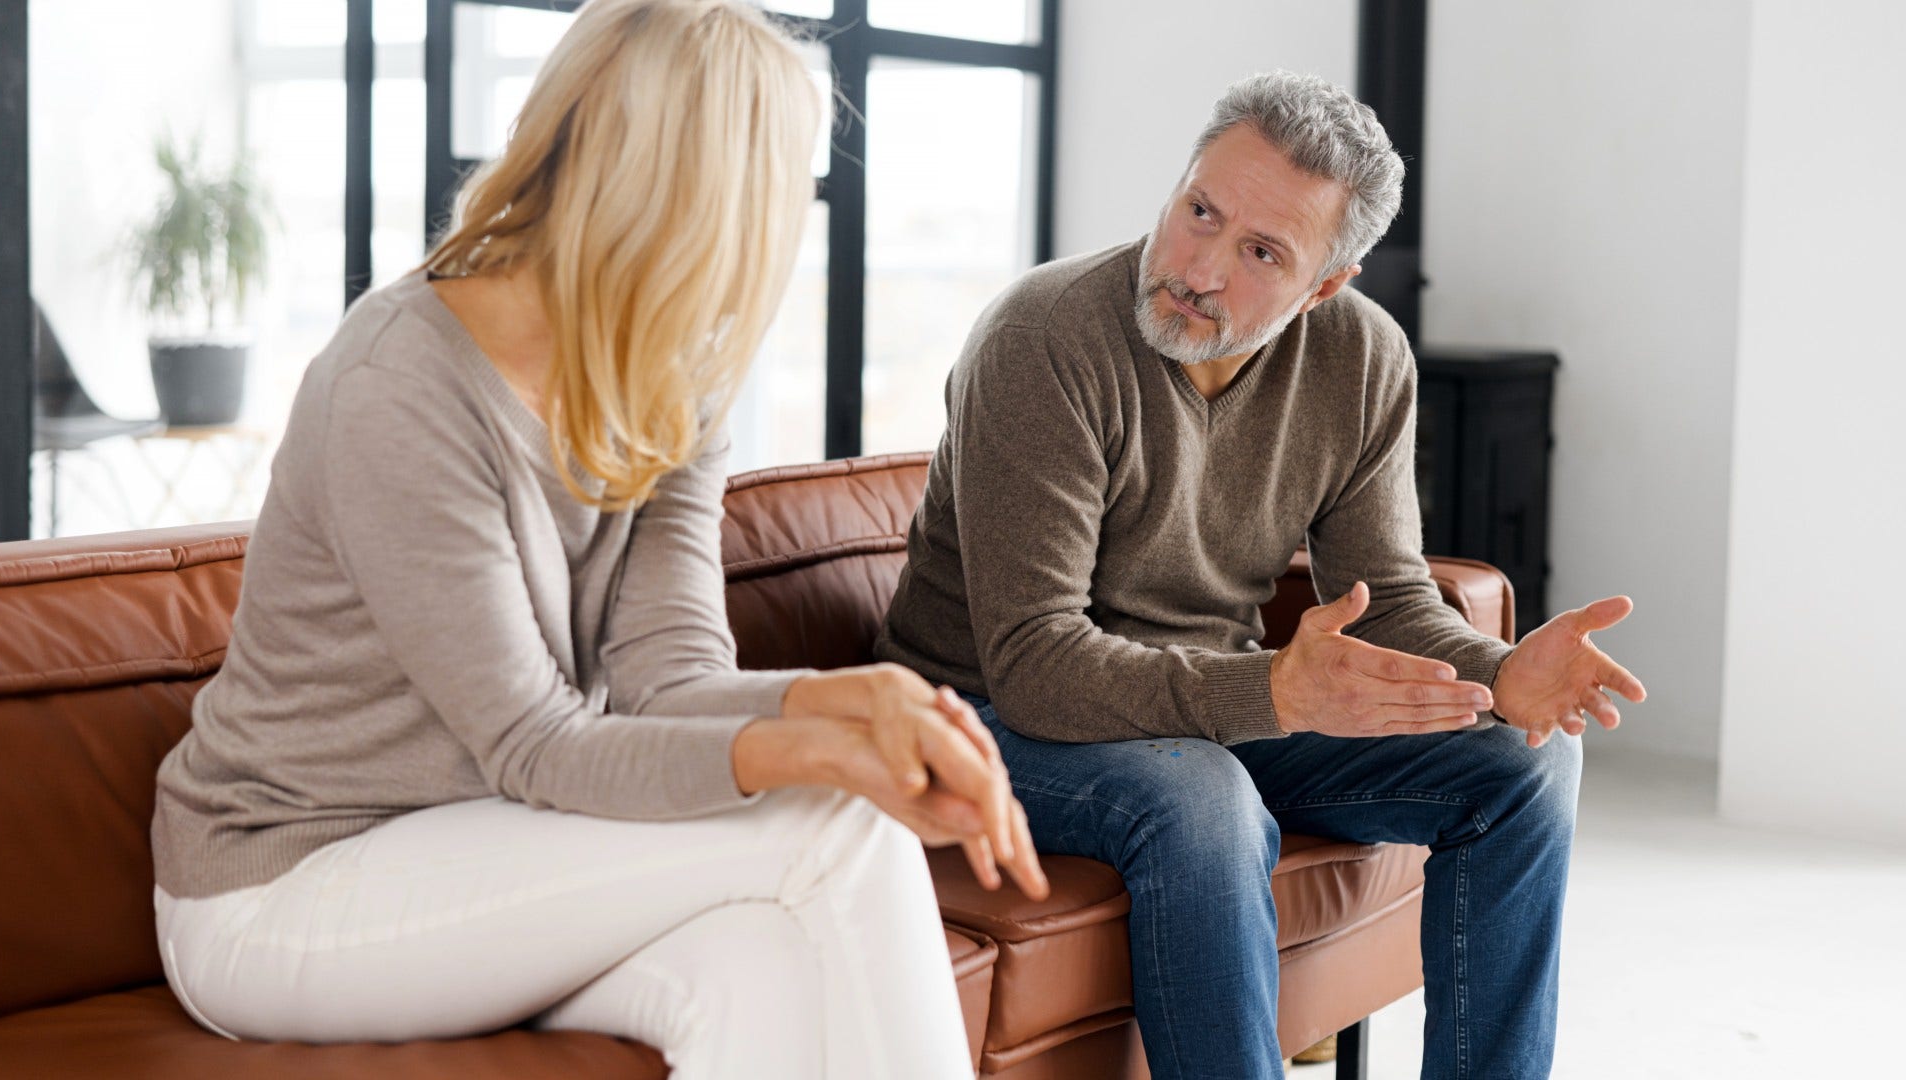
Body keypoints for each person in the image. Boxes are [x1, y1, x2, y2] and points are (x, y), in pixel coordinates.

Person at [149, 2, 1047, 1077]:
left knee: (762, 961)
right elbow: (538, 745)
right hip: (280, 887)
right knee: (839, 828)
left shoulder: (672, 377)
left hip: (485, 848)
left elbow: (669, 680)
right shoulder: (399, 384)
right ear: (694, 194)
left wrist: (860, 699)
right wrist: (825, 751)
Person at [874, 69, 1647, 1080]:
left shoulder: (1362, 359)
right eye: (1199, 210)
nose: (1197, 267)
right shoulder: (1043, 340)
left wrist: (1498, 675)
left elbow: (1392, 597)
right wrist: (1269, 691)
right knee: (1204, 797)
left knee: (1527, 762)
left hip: (1205, 703)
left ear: (1326, 284)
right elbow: (1033, 660)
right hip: (988, 711)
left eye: (1261, 253)